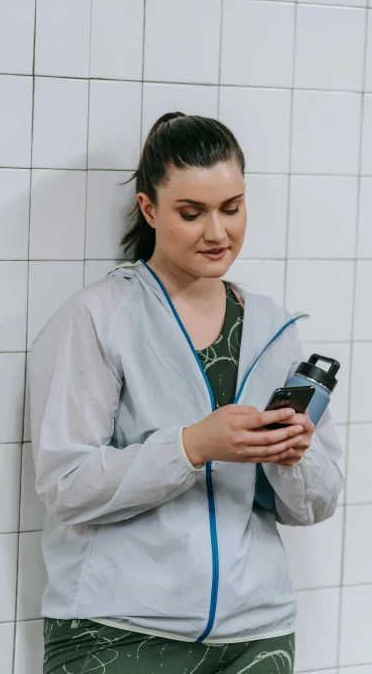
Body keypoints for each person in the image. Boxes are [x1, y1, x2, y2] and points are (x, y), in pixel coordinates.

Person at [28, 112, 345, 674]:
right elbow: (66, 484)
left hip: (258, 632)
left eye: (232, 207)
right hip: (115, 629)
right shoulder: (101, 317)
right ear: (150, 209)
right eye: (191, 213)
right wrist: (192, 446)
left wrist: (294, 457)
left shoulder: (274, 326)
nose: (218, 232)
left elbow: (316, 505)